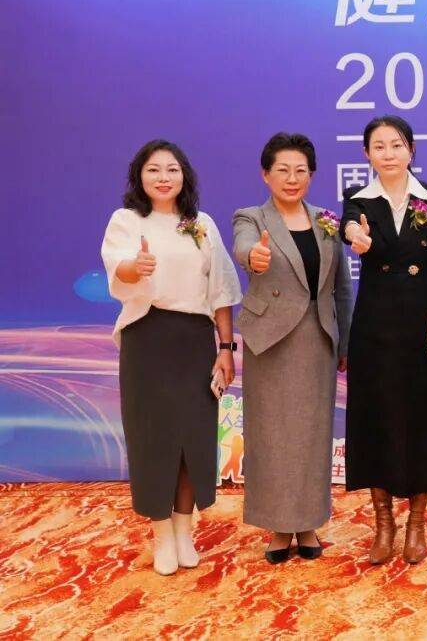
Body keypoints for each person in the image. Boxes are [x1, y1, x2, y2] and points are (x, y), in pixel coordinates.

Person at [101, 139, 241, 575]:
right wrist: (136, 267)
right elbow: (118, 268)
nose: (163, 178)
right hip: (147, 337)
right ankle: (162, 533)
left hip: (195, 340)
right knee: (153, 438)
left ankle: (184, 530)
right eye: (154, 170)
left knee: (193, 439)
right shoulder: (127, 220)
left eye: (172, 169)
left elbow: (220, 291)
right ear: (139, 177)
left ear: (184, 176)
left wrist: (225, 348)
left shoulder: (202, 224)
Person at [341, 115, 427, 564]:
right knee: (375, 420)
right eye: (379, 146)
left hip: (422, 325)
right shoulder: (358, 198)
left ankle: (416, 525)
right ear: (367, 154)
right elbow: (349, 226)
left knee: (421, 419)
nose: (388, 154)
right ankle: (384, 524)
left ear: (411, 149)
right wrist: (355, 236)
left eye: (396, 145)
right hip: (374, 326)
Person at [232, 132, 353, 564]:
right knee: (272, 435)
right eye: (282, 170)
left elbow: (341, 287)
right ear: (265, 174)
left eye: (301, 170)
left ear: (312, 175)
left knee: (311, 436)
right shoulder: (251, 217)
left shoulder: (327, 221)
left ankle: (308, 523)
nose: (292, 178)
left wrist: (345, 341)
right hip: (270, 341)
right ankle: (279, 527)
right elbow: (244, 248)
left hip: (317, 338)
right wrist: (254, 258)